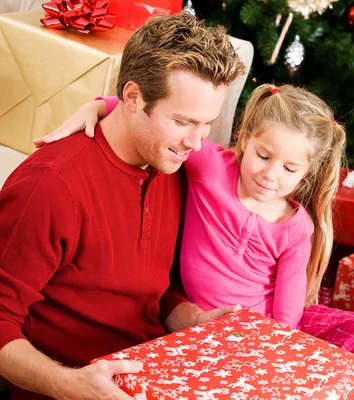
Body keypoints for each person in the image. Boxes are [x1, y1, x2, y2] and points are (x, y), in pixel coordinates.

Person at [38, 83, 354, 398]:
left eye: (290, 169)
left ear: (307, 172)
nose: (269, 175)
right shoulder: (212, 168)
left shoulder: (296, 227)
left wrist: (272, 362)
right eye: (262, 155)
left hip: (264, 336)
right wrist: (99, 105)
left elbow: (287, 320)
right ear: (245, 139)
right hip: (202, 331)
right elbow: (155, 121)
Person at [0, 13, 246, 400]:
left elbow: (152, 293)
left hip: (152, 376)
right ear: (132, 98)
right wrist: (67, 384)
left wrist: (191, 318)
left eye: (207, 124)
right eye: (182, 121)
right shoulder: (50, 185)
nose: (197, 143)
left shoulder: (173, 167)